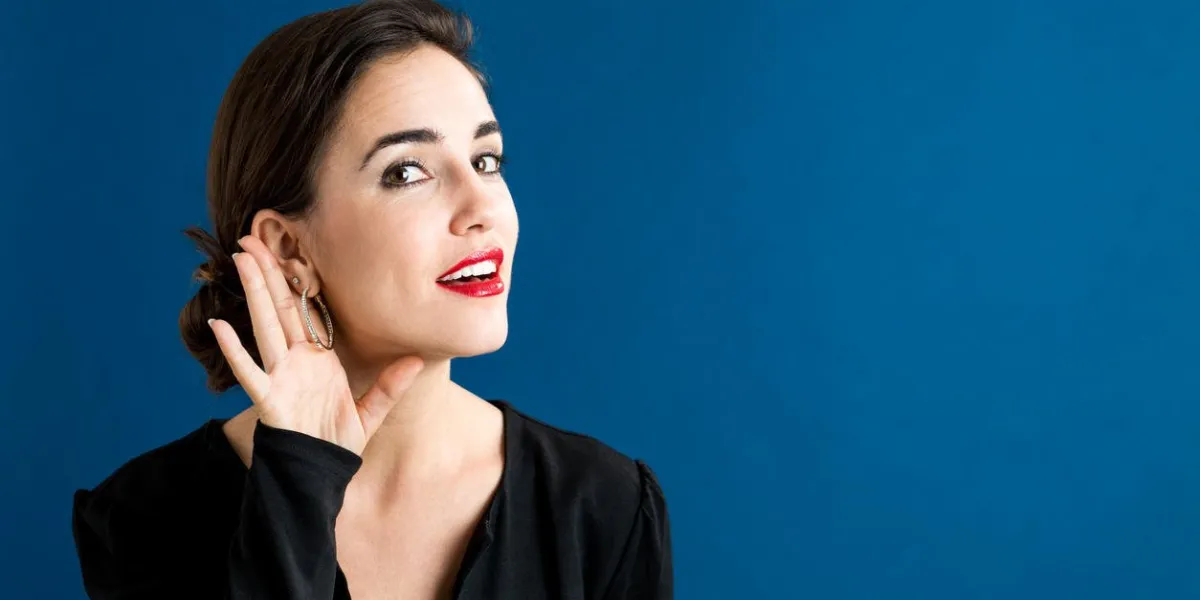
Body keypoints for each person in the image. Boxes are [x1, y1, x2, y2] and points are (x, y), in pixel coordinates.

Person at [68, 0, 672, 598]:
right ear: (288, 248)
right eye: (407, 172)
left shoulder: (603, 506)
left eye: (486, 160)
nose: (484, 208)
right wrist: (301, 479)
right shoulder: (145, 520)